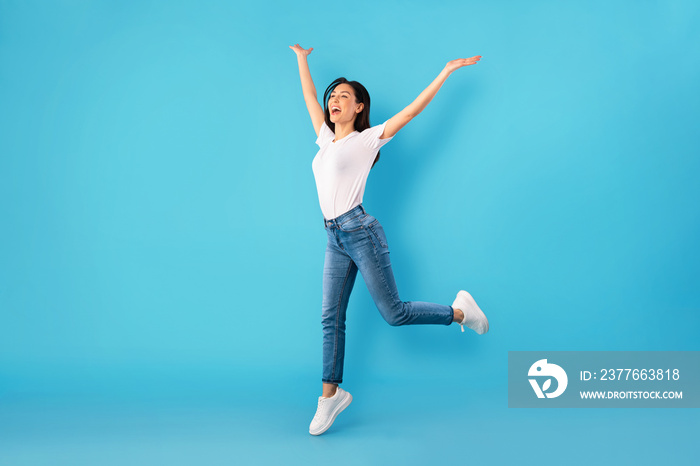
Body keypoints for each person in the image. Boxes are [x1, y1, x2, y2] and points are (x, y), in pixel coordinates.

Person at [289, 44, 489, 436]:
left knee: (394, 313)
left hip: (361, 232)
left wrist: (446, 70)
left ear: (360, 107)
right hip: (334, 236)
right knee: (331, 317)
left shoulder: (367, 141)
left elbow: (412, 111)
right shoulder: (324, 138)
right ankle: (330, 397)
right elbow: (309, 96)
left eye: (344, 96)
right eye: (334, 96)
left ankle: (461, 312)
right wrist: (301, 58)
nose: (334, 100)